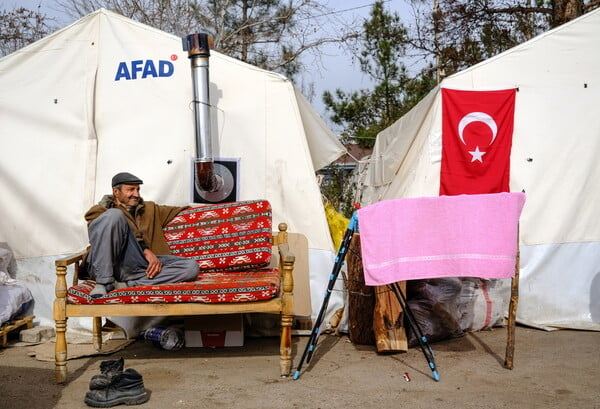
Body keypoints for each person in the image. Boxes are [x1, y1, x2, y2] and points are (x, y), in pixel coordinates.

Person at [84, 172, 199, 298]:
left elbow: (180, 210)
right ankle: (103, 283)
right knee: (115, 216)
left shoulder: (150, 209)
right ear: (116, 192)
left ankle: (125, 285)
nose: (136, 194)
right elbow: (97, 234)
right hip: (107, 263)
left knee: (191, 267)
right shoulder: (100, 211)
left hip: (136, 267)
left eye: (138, 189)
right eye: (131, 190)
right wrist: (144, 249)